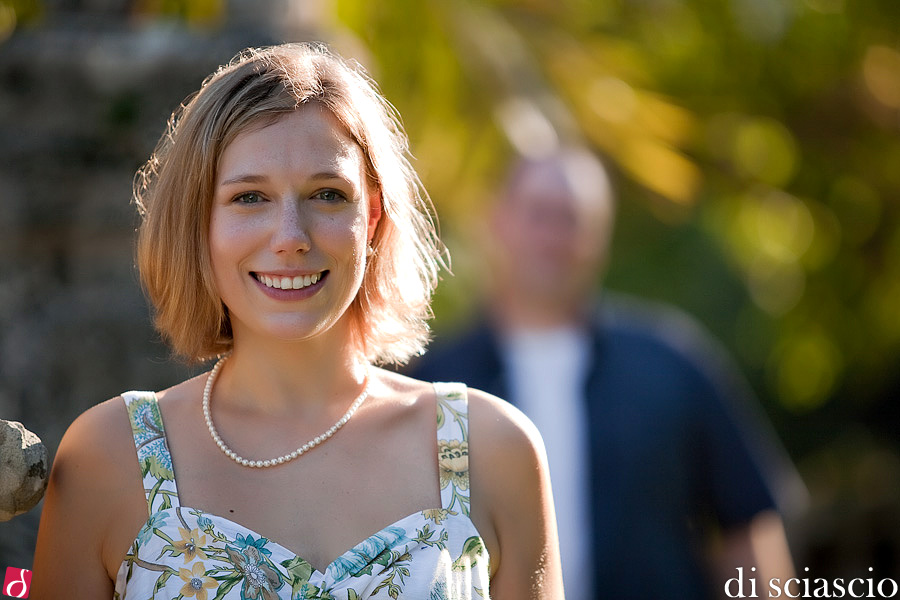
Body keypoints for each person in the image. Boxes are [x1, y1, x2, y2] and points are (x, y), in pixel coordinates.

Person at [31, 43, 563, 599]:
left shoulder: (491, 451)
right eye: (250, 197)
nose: (291, 237)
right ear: (198, 222)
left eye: (327, 195)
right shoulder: (107, 457)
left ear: (373, 218)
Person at [409, 147, 802, 599]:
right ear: (496, 221)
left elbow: (747, 529)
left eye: (573, 219)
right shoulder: (432, 383)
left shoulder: (672, 366)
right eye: (539, 214)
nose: (554, 237)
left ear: (601, 237)